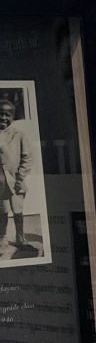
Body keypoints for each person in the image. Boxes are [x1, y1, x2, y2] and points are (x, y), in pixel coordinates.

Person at [0, 91, 39, 257]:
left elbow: (27, 158)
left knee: (18, 211)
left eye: (7, 115)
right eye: (0, 114)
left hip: (16, 181)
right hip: (0, 183)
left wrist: (20, 177)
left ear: (13, 117)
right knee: (2, 212)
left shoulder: (20, 135)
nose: (3, 118)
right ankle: (2, 239)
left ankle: (20, 237)